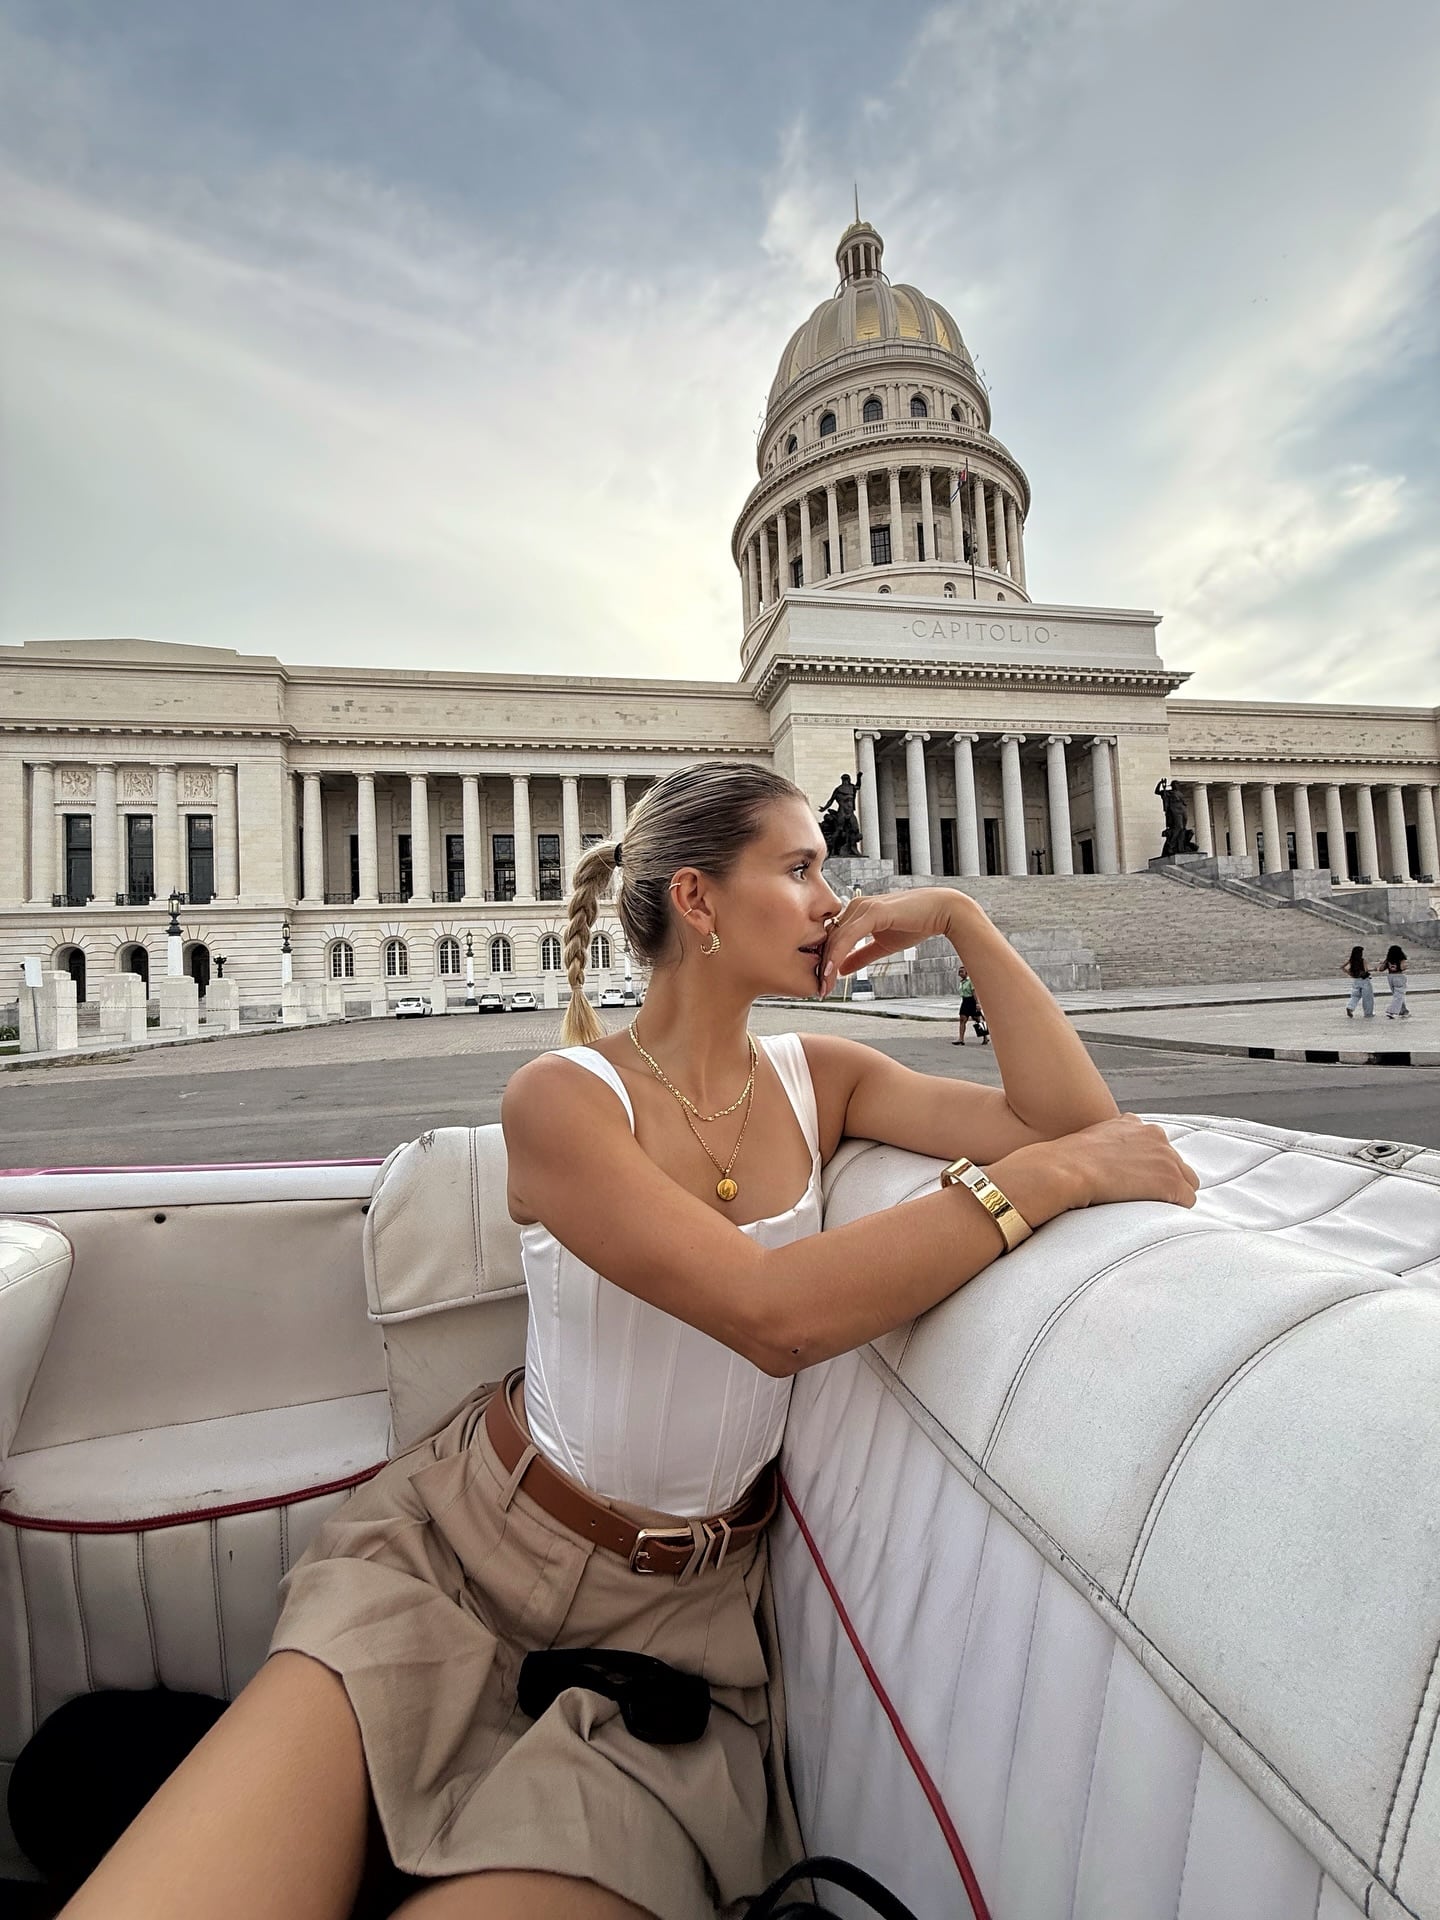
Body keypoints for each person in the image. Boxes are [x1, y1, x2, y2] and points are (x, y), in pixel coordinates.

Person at [60, 762, 1199, 1920]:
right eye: (800, 869)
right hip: (463, 1551)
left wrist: (965, 920)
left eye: (827, 872)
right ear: (698, 903)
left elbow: (1075, 1117)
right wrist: (1037, 1185)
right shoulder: (561, 1096)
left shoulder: (827, 1076)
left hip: (682, 1635)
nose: (831, 901)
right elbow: (774, 1316)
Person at [1343, 945, 1374, 1019]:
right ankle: (1368, 1013)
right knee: (1367, 998)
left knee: (1355, 996)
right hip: (1364, 980)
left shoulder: (1351, 960)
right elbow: (1366, 970)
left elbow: (1343, 967)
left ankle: (1350, 1007)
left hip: (1356, 980)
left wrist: (1350, 973)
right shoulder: (1362, 960)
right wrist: (1374, 969)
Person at [952, 966, 981, 1044]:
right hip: (964, 1001)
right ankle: (961, 1039)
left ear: (966, 972)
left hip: (971, 1001)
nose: (960, 973)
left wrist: (977, 1003)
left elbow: (974, 993)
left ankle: (985, 1036)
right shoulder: (962, 982)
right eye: (959, 972)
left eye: (962, 972)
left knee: (977, 1019)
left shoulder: (970, 981)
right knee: (962, 1019)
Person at [1384, 944, 1410, 1019]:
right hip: (1399, 976)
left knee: (1397, 995)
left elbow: (1381, 969)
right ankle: (1392, 1011)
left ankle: (1403, 1011)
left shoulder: (1388, 960)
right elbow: (1402, 967)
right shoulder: (1401, 959)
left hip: (1390, 977)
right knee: (1399, 995)